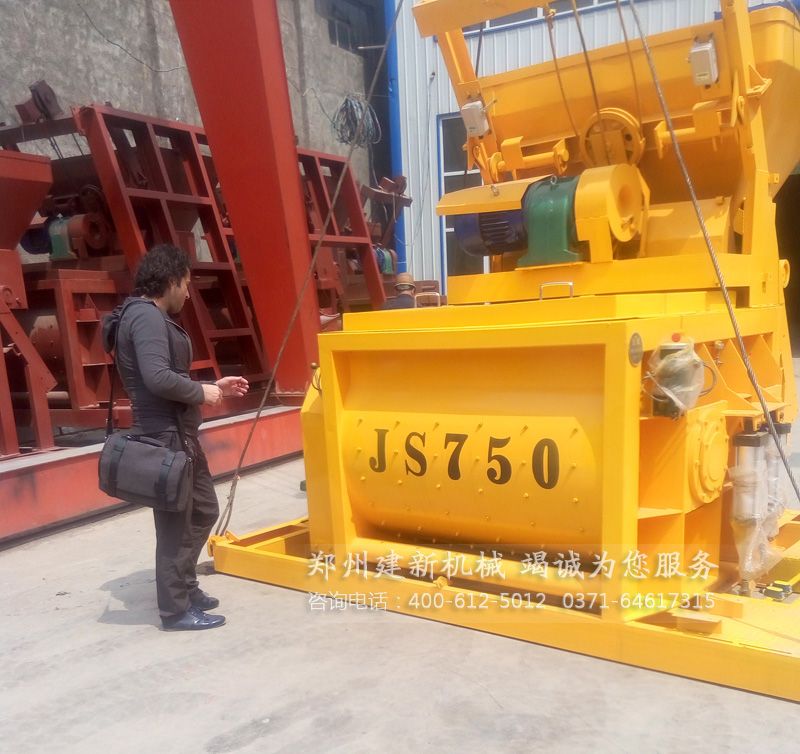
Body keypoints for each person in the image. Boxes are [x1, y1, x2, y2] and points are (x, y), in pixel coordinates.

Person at [114, 244, 249, 631]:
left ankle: (186, 585)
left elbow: (164, 374)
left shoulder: (148, 316)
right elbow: (157, 377)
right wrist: (201, 393)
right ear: (171, 280)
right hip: (165, 438)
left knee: (203, 509)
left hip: (180, 435)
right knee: (175, 526)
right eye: (186, 284)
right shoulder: (146, 317)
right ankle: (175, 611)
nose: (188, 294)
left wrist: (212, 386)